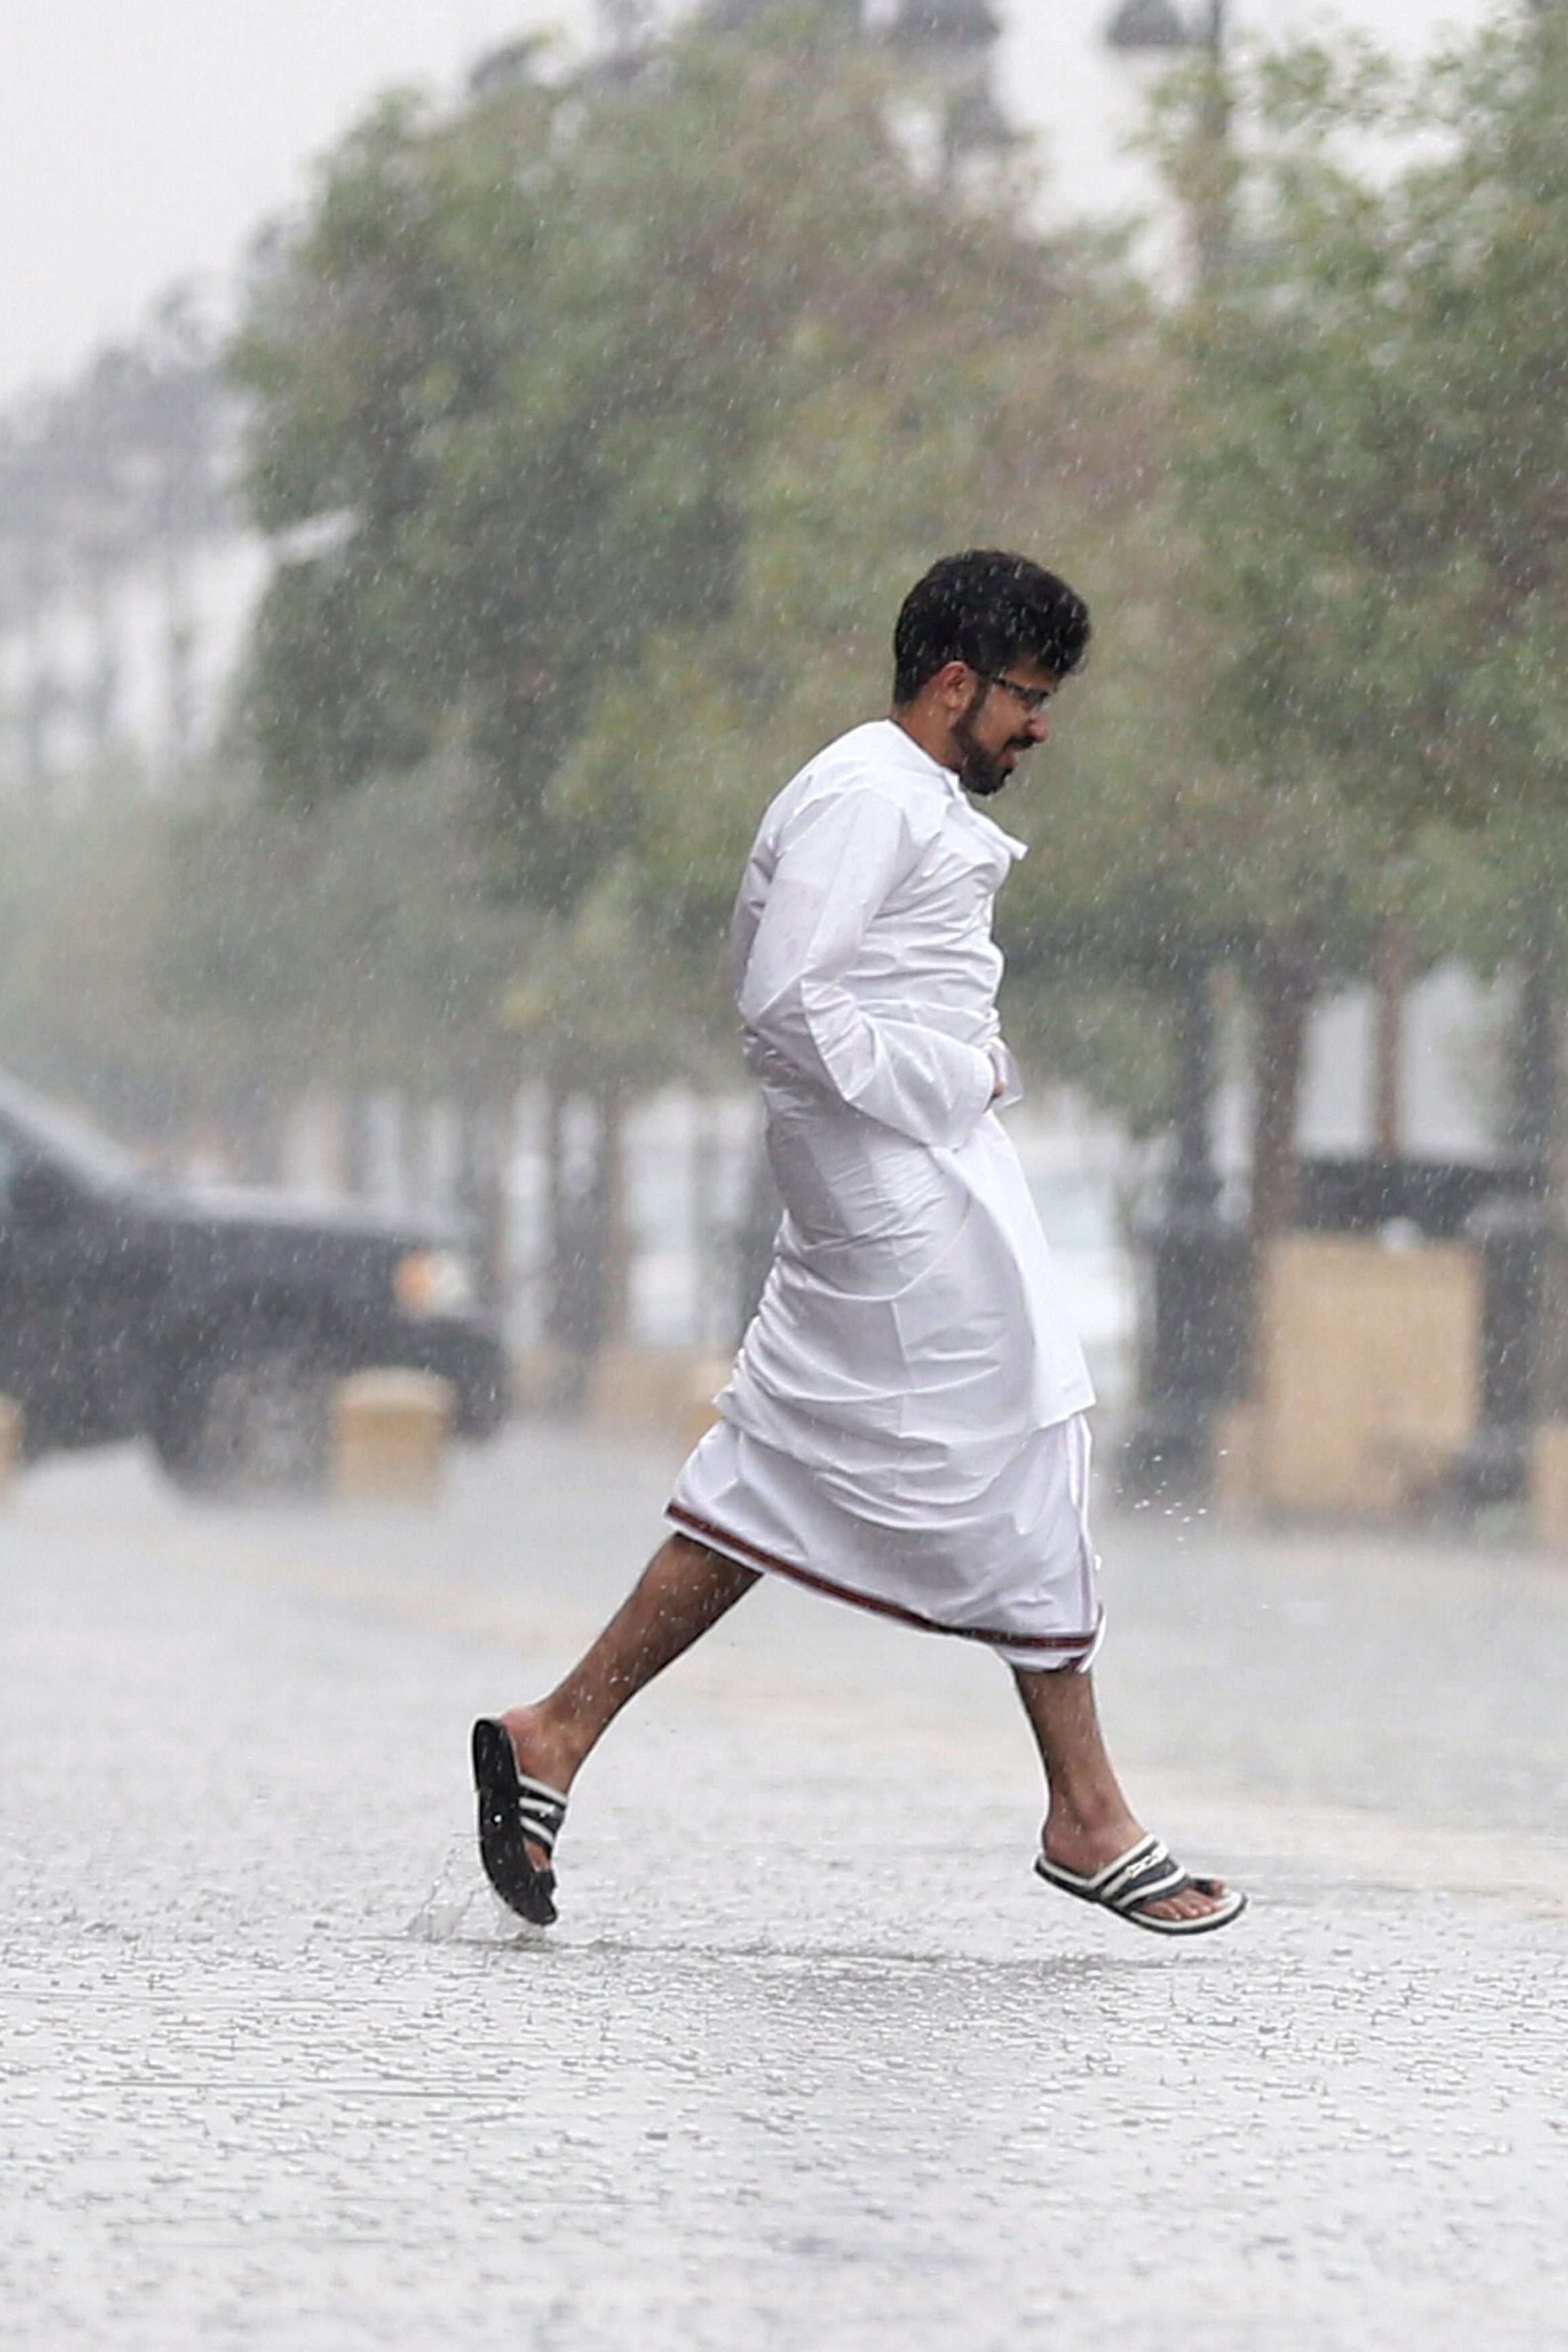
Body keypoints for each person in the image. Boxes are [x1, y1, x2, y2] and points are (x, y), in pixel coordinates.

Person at [469, 550, 1242, 1938]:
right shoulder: (866, 796)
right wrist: (949, 1077)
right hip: (900, 1191)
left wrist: (953, 1073)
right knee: (1019, 1434)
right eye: (1029, 696)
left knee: (793, 1463)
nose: (1041, 725)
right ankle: (1085, 1808)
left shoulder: (892, 793)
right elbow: (782, 999)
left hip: (910, 1176)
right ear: (955, 682)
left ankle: (559, 1731)